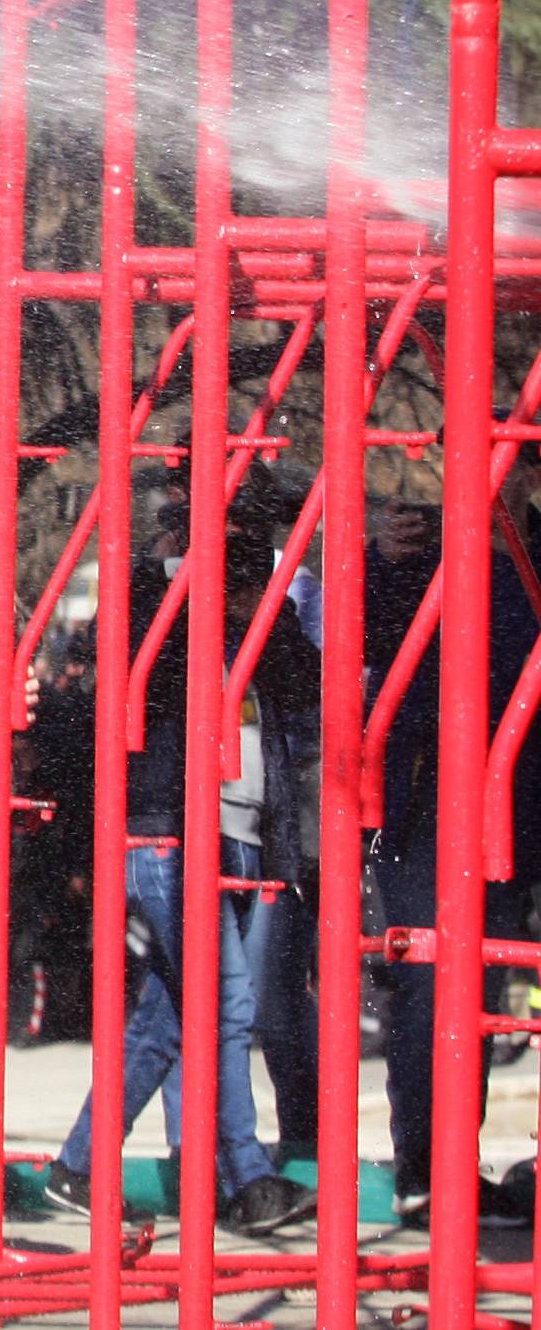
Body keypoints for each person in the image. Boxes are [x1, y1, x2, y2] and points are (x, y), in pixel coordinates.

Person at [43, 470, 316, 1236]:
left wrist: (257, 609)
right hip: (171, 823)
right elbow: (112, 656)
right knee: (224, 999)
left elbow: (303, 685)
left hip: (244, 827)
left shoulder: (258, 604)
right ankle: (247, 1175)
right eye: (237, 532)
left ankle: (78, 1166)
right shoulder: (154, 591)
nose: (248, 549)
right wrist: (177, 576)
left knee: (170, 1017)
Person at [365, 485, 540, 1226]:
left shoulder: (514, 564)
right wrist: (382, 560)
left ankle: (441, 1167)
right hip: (437, 803)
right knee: (438, 989)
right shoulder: (438, 564)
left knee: (470, 994)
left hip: (503, 804)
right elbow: (365, 643)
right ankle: (430, 1167)